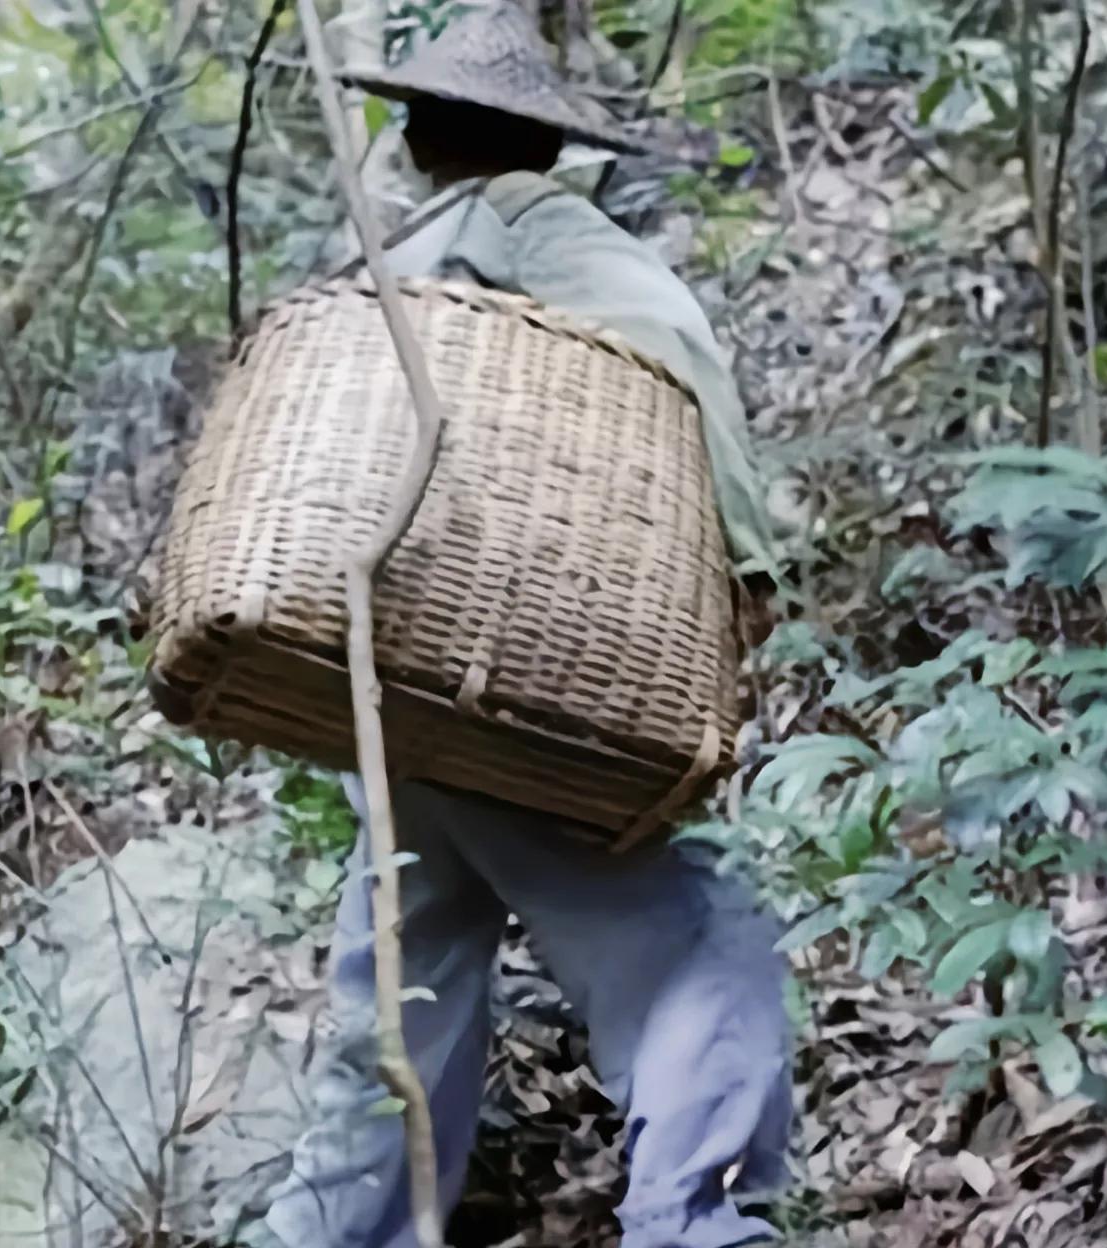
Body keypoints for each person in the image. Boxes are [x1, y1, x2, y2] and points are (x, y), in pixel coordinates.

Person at [258, 6, 792, 1248]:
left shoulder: (386, 261)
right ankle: (703, 1229)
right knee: (694, 942)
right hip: (520, 666)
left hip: (393, 670)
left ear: (417, 138)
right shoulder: (536, 229)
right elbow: (662, 353)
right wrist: (746, 570)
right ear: (543, 147)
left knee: (402, 998)